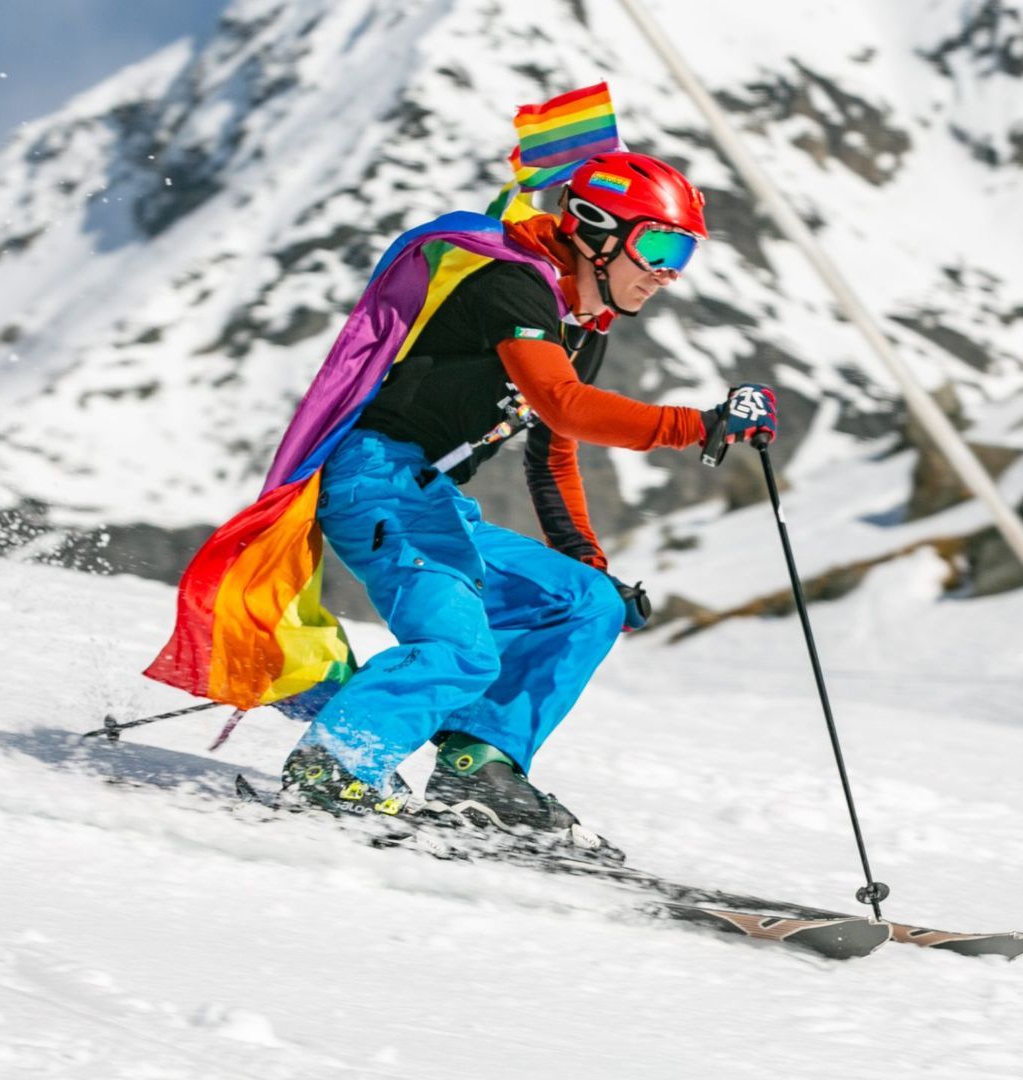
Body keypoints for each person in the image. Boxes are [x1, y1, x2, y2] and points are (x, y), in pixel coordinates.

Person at [279, 151, 779, 852]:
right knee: (459, 648)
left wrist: (587, 559)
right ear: (598, 231)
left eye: (684, 252)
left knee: (586, 603)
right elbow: (563, 406)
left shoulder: (582, 325)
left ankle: (477, 765)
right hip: (378, 483)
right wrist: (697, 425)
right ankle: (333, 765)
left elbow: (553, 450)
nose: (669, 271)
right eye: (660, 244)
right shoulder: (513, 284)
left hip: (431, 497)